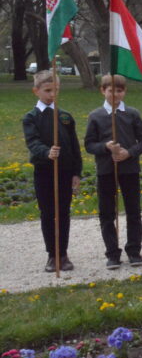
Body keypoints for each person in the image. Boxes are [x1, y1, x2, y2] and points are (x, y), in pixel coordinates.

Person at [85, 74, 142, 270]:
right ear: (103, 91)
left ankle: (134, 251)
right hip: (106, 171)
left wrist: (128, 153)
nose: (115, 94)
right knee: (107, 213)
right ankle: (112, 253)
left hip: (129, 170)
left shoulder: (132, 114)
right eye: (111, 90)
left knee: (133, 211)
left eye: (119, 91)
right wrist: (105, 147)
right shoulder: (95, 116)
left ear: (125, 92)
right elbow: (89, 144)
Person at [23, 70, 82, 272]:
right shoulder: (31, 118)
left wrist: (76, 172)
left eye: (55, 90)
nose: (52, 94)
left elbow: (74, 147)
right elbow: (32, 142)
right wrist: (46, 152)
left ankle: (63, 254)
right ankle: (52, 254)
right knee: (48, 213)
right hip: (44, 172)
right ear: (36, 91)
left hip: (65, 171)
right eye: (47, 90)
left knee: (63, 213)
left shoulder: (65, 117)